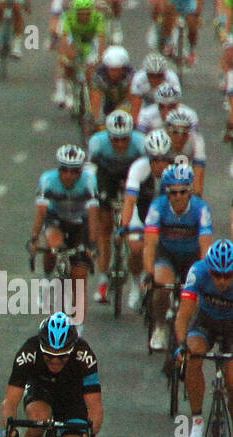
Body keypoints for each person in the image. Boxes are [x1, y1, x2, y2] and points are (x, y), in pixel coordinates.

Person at [143, 161, 213, 351]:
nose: (178, 196)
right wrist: (149, 273)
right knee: (161, 286)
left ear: (190, 191)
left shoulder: (201, 209)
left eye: (183, 192)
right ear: (167, 192)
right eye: (173, 192)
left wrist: (203, 276)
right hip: (167, 255)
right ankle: (160, 326)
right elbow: (150, 243)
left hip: (192, 257)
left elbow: (205, 245)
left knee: (193, 297)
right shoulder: (158, 207)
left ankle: (187, 329)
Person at [28, 144, 97, 324]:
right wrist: (35, 238)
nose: (69, 175)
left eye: (75, 171)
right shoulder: (48, 180)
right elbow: (41, 212)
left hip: (80, 222)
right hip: (56, 219)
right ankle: (47, 280)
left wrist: (92, 244)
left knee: (79, 278)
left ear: (81, 170)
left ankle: (78, 327)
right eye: (64, 170)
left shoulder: (89, 180)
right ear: (58, 169)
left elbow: (93, 214)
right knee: (53, 247)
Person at [175, 239, 233, 437]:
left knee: (232, 379)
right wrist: (182, 345)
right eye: (217, 275)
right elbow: (183, 314)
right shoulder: (198, 272)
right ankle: (197, 425)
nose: (222, 281)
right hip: (205, 322)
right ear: (209, 269)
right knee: (193, 355)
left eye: (228, 275)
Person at [86, 110, 146, 303]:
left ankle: (136, 282)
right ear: (108, 136)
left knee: (137, 226)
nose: (120, 144)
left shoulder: (141, 143)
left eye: (124, 139)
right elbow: (91, 172)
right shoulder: (97, 142)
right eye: (116, 140)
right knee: (105, 229)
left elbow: (146, 173)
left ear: (131, 135)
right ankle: (103, 280)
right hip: (108, 177)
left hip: (133, 176)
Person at [120, 128, 174, 313]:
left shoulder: (177, 170)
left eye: (164, 159)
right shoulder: (138, 168)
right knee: (136, 248)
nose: (160, 164)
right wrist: (125, 225)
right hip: (141, 210)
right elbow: (129, 201)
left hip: (164, 215)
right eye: (155, 160)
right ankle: (136, 284)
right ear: (148, 158)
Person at [54, 0, 106, 110]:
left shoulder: (98, 17)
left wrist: (100, 56)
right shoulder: (68, 17)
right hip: (74, 41)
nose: (84, 17)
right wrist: (69, 53)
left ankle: (92, 100)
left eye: (87, 14)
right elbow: (64, 38)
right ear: (75, 12)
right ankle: (66, 90)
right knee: (66, 61)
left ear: (91, 12)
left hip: (90, 44)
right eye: (80, 14)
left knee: (92, 71)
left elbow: (101, 38)